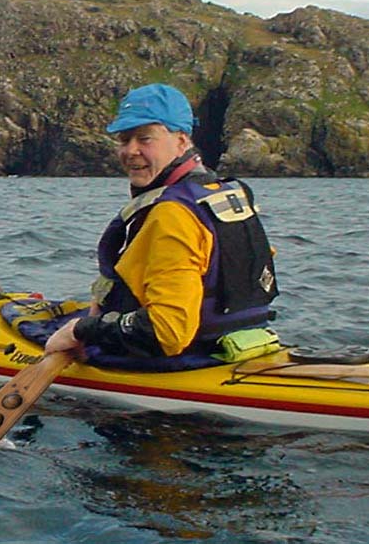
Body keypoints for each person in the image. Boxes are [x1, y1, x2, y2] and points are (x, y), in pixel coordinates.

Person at [42, 83, 279, 370]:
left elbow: (166, 333)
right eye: (124, 140)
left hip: (182, 357)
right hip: (241, 343)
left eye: (145, 139)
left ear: (181, 141)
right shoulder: (224, 192)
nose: (131, 151)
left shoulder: (172, 213)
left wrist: (79, 331)